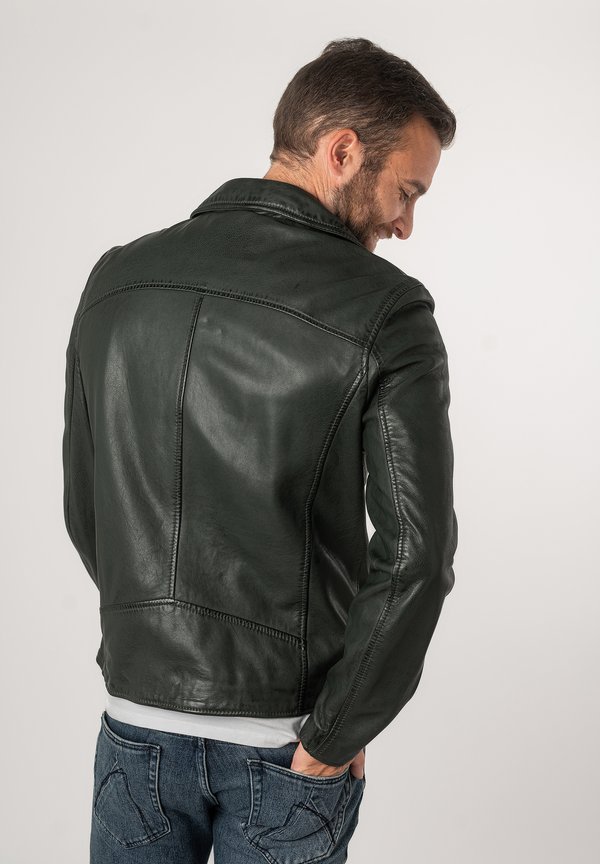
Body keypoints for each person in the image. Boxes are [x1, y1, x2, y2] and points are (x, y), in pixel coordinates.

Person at [62, 36, 458, 863]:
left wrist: (155, 645)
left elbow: (87, 507)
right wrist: (339, 728)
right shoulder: (387, 311)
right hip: (287, 747)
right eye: (407, 191)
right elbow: (416, 556)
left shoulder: (117, 281)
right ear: (342, 151)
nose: (406, 225)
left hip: (133, 728)